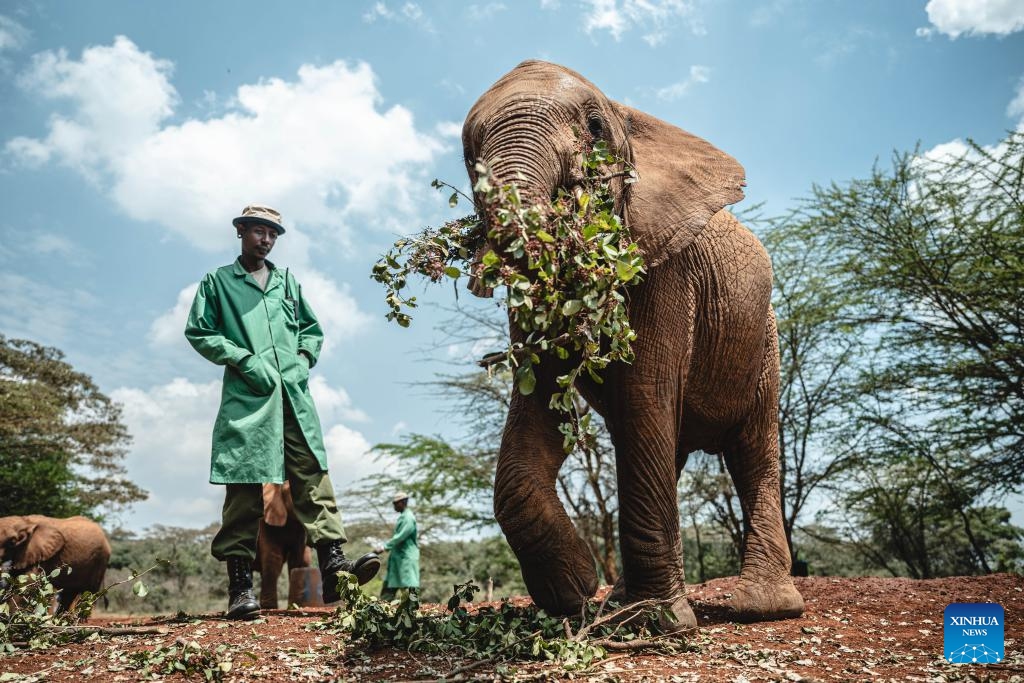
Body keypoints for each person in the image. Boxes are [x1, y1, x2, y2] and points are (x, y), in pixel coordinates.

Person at [185, 204, 380, 619]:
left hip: (293, 395)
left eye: (273, 234)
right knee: (243, 484)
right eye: (258, 231)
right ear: (241, 232)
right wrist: (243, 359)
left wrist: (304, 360)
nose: (266, 240)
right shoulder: (218, 282)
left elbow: (311, 329)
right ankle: (240, 589)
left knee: (312, 472)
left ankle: (334, 567)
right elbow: (199, 331)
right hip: (249, 396)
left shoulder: (288, 281)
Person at [375, 492, 420, 601]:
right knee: (389, 585)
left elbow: (400, 536)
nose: (394, 506)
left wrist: (384, 547)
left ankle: (412, 611)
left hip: (406, 558)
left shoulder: (408, 518)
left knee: (408, 586)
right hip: (397, 559)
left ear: (403, 502)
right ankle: (382, 610)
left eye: (396, 503)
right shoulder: (403, 517)